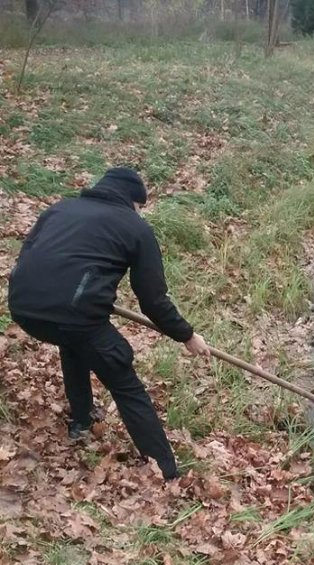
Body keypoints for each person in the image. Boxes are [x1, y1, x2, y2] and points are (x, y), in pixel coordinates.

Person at [8, 166, 210, 481]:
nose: (139, 212)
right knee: (122, 377)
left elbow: (33, 257)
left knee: (74, 340)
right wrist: (187, 335)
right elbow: (153, 301)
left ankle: (81, 422)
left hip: (22, 307)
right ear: (132, 201)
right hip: (74, 315)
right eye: (140, 207)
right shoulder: (135, 228)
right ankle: (167, 472)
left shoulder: (59, 209)